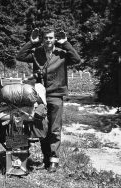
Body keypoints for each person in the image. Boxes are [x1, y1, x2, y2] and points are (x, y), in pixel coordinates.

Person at [16, 27, 81, 172]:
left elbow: (77, 59)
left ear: (55, 39)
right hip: (39, 96)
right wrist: (31, 43)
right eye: (46, 38)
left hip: (56, 95)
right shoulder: (36, 52)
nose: (48, 40)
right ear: (43, 39)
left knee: (55, 129)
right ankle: (46, 158)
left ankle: (53, 161)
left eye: (51, 38)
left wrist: (66, 43)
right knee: (42, 127)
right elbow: (20, 56)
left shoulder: (61, 53)